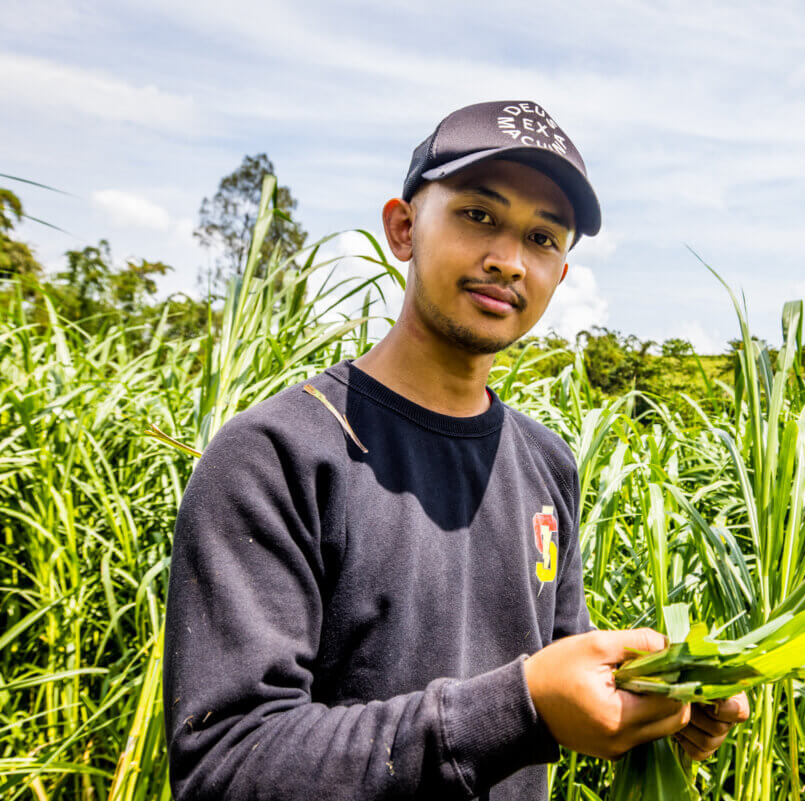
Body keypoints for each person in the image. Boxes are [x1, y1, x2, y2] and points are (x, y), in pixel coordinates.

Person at [162, 100, 749, 801]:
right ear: (403, 228)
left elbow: (557, 681)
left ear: (560, 275)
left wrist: (657, 707)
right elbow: (227, 764)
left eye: (542, 237)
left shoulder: (547, 463)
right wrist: (524, 705)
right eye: (478, 216)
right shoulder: (276, 456)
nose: (507, 260)